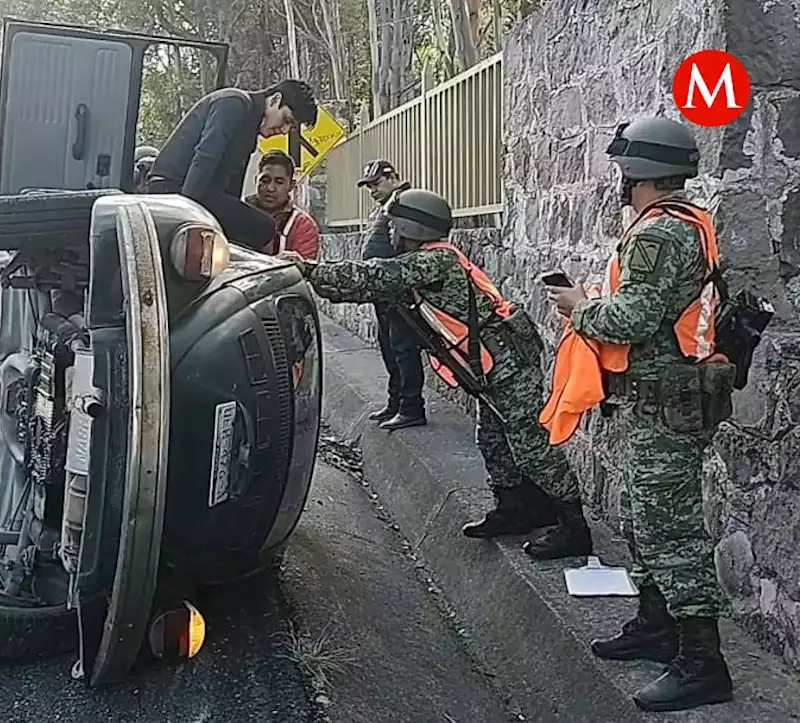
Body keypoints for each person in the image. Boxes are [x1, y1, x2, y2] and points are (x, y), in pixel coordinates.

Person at [281, 188, 591, 560]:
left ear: (410, 227)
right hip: (495, 363)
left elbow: (371, 276)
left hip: (508, 365)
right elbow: (370, 286)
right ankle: (516, 509)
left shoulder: (432, 262)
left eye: (394, 225)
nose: (390, 233)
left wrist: (308, 268)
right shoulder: (429, 259)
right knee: (493, 439)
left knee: (530, 445)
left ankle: (574, 527)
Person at [546, 116, 735, 712]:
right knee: (644, 518)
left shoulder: (657, 234)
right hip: (667, 399)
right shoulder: (691, 222)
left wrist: (579, 307)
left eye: (624, 170)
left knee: (669, 532)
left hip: (665, 406)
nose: (619, 181)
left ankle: (704, 663)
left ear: (639, 173)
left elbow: (632, 321)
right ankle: (657, 626)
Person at [146, 80, 319, 252]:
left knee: (255, 228)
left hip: (202, 194)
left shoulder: (250, 130)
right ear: (274, 99)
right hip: (174, 189)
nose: (284, 130)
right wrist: (185, 213)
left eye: (291, 127)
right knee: (263, 227)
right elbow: (205, 159)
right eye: (286, 120)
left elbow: (231, 189)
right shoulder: (233, 104)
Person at [356, 159, 427, 429]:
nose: (373, 190)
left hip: (398, 291)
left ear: (392, 176)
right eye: (369, 186)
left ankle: (411, 407)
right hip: (383, 290)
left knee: (403, 349)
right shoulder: (388, 206)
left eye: (376, 183)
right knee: (389, 347)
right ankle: (396, 402)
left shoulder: (407, 203)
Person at [245, 150, 321, 259]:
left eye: (279, 182)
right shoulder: (237, 215)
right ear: (256, 180)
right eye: (265, 180)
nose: (270, 188)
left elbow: (304, 269)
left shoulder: (302, 225)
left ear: (291, 185)